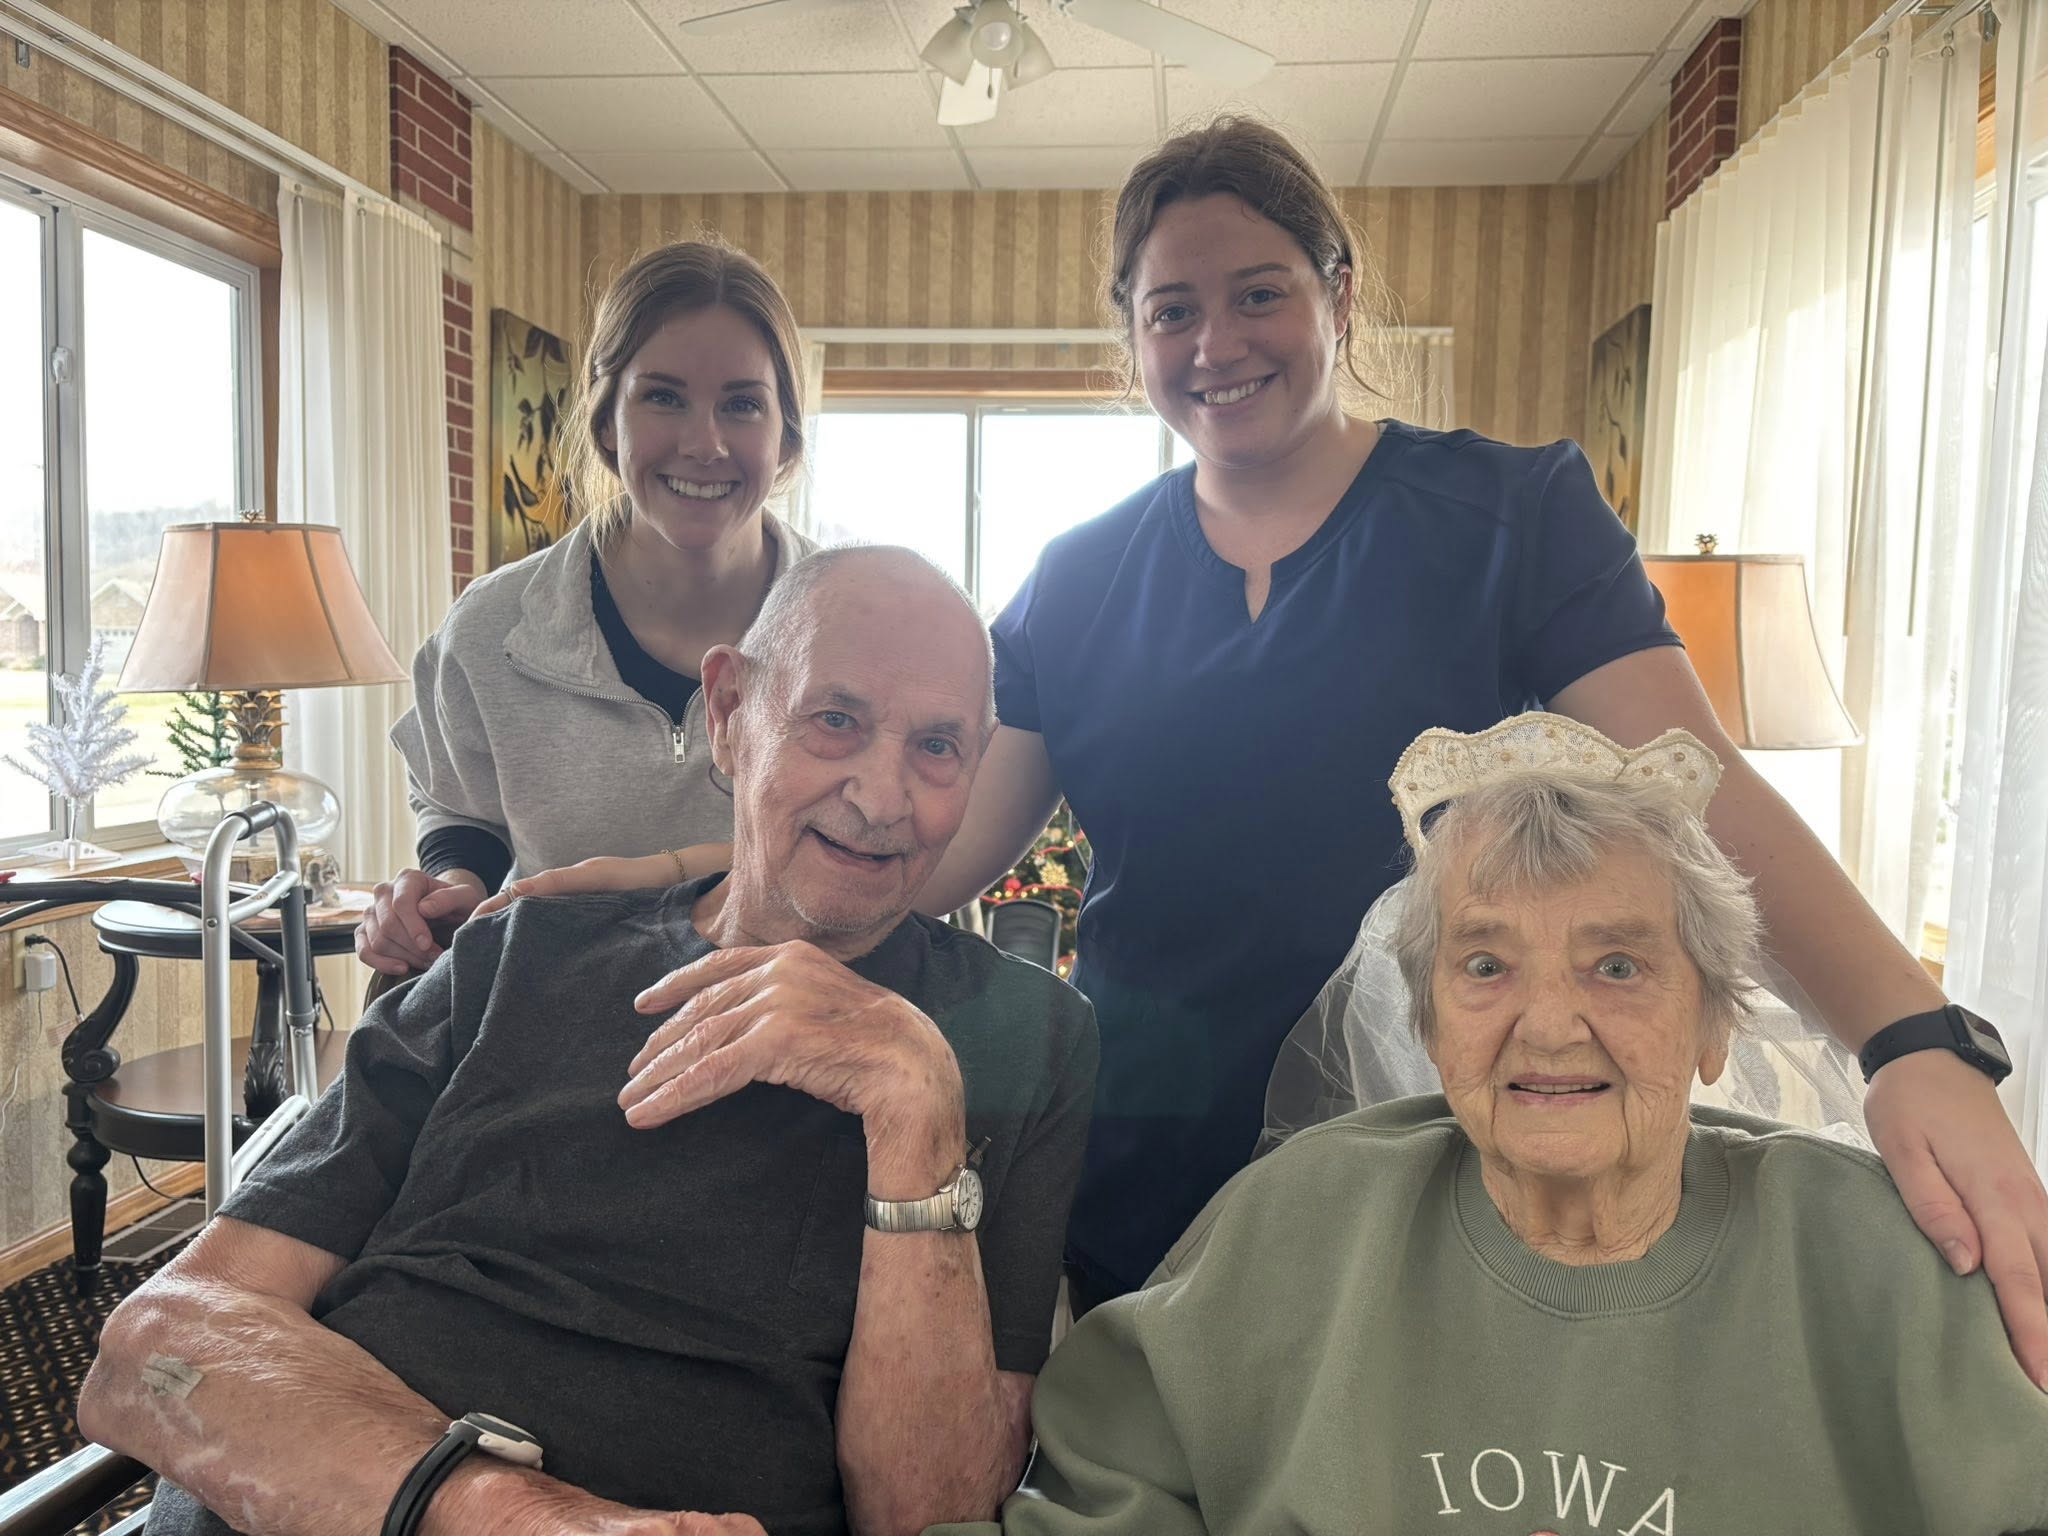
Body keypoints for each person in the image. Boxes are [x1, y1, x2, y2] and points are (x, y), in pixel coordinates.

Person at [476, 115, 2048, 1371]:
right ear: (1131, 339)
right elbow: (926, 845)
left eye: (1258, 293)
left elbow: (1704, 800)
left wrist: (1912, 1041)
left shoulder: (1515, 518)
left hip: (1449, 1148)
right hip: (1150, 1157)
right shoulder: (1080, 577)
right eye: (1172, 309)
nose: (1216, 340)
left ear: (1338, 298)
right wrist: (671, 870)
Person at [78, 548, 1099, 1536]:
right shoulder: (516, 955)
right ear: (730, 714)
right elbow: (156, 1344)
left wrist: (916, 1110)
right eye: (835, 721)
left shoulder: (1023, 1036)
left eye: (937, 747)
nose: (882, 799)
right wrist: (493, 1511)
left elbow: (930, 1518)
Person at [928, 720, 2048, 1536]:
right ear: (1425, 1019)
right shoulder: (1296, 1224)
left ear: (1714, 1021)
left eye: (1617, 966)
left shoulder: (1883, 1261)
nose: (1548, 1026)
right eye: (1484, 965)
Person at [355, 237, 816, 979]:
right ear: (606, 421)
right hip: (549, 1019)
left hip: (784, 1022)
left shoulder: (850, 633)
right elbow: (462, 814)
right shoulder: (491, 629)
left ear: (786, 432)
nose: (704, 443)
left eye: (742, 404)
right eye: (663, 396)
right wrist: (449, 891)